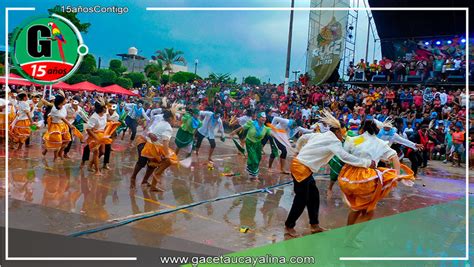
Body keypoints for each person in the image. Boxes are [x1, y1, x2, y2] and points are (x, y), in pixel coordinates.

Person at [284, 110, 375, 238]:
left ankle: (314, 225)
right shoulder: (334, 141)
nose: (343, 135)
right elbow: (345, 157)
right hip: (301, 168)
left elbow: (303, 137)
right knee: (301, 199)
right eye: (343, 132)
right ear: (337, 131)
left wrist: (297, 151)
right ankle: (289, 226)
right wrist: (366, 162)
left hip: (303, 167)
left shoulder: (320, 135)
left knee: (314, 196)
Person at [337, 120, 414, 243]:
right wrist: (397, 175)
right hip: (365, 180)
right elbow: (394, 157)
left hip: (348, 177)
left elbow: (345, 155)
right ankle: (349, 239)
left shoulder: (355, 139)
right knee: (368, 212)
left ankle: (349, 236)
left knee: (356, 208)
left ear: (362, 129)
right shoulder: (380, 143)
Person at [130, 110, 177, 191]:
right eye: (175, 117)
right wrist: (150, 134)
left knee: (153, 163)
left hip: (153, 144)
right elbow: (149, 129)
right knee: (142, 161)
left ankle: (146, 182)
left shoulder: (163, 121)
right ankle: (133, 178)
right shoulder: (158, 118)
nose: (176, 119)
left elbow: (161, 139)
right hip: (144, 140)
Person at [230, 112, 271, 179]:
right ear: (258, 118)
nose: (264, 118)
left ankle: (250, 170)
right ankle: (254, 176)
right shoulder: (251, 123)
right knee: (254, 158)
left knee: (258, 158)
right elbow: (242, 128)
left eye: (265, 117)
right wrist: (234, 132)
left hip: (258, 144)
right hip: (250, 143)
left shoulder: (266, 128)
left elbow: (272, 135)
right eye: (262, 117)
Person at [42, 94, 76, 161]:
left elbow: (64, 118)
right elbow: (63, 118)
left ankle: (59, 153)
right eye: (64, 100)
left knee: (67, 140)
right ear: (61, 102)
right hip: (56, 126)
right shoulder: (55, 110)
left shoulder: (62, 105)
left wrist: (62, 93)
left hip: (63, 125)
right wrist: (70, 125)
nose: (66, 101)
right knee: (57, 142)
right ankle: (55, 158)